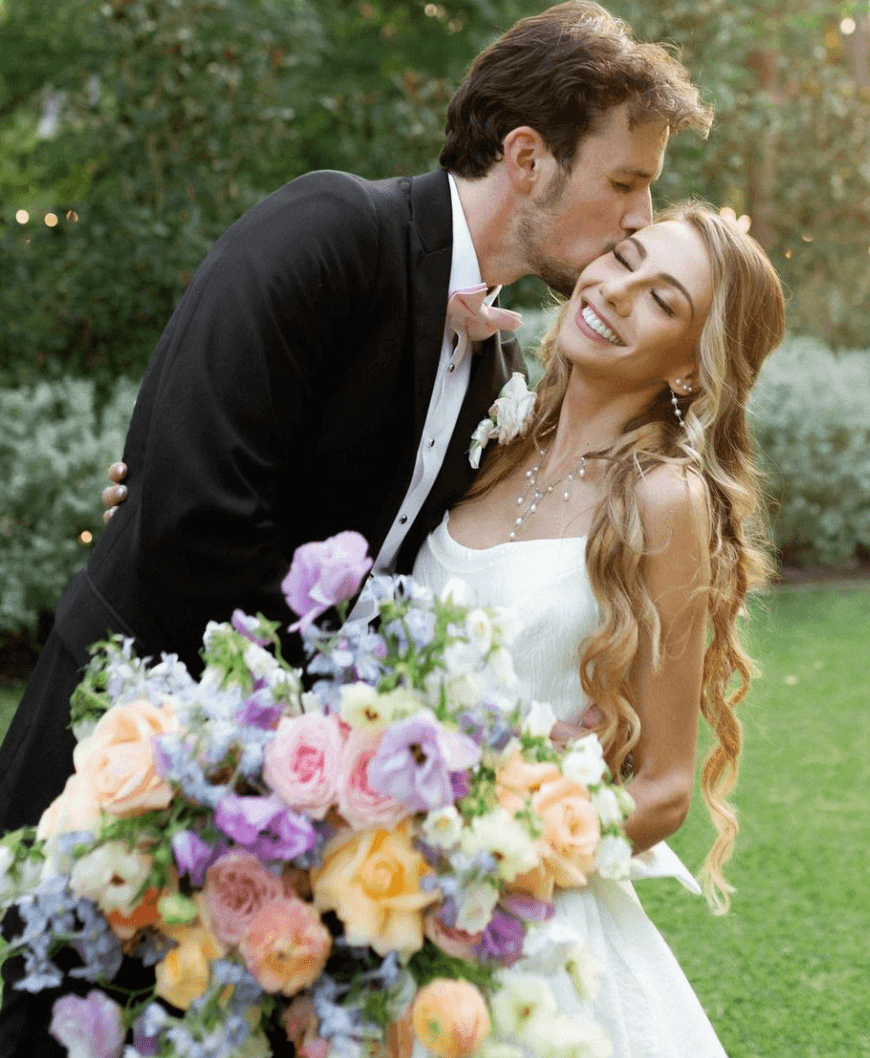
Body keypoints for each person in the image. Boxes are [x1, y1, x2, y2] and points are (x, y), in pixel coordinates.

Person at [0, 1, 711, 839]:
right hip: (120, 749)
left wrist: (498, 740)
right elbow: (197, 518)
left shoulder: (498, 369)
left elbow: (416, 577)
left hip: (281, 816)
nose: (639, 215)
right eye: (625, 182)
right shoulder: (330, 232)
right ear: (527, 157)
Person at [411, 202, 786, 1056]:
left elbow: (660, 789)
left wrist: (490, 864)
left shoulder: (664, 499)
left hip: (528, 927)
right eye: (623, 256)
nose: (614, 292)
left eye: (662, 301)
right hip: (382, 891)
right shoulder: (487, 433)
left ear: (693, 369)